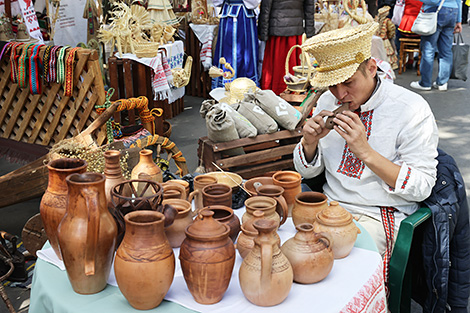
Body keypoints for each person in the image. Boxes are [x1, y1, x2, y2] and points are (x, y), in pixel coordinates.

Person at [293, 23, 439, 263]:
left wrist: (366, 153)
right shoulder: (327, 100)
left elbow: (422, 186)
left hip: (379, 214)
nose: (339, 95)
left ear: (372, 68)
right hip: (329, 208)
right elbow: (309, 172)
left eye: (348, 83)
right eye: (333, 84)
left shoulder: (411, 109)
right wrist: (309, 144)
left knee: (329, 263)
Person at [257, 0, 315, 95]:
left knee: (277, 64)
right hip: (294, 29)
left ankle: (274, 90)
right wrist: (310, 32)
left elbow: (266, 8)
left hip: (277, 30)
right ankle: (293, 89)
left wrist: (262, 33)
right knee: (292, 64)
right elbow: (309, 8)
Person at [410, 0, 462, 91]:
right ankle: (442, 83)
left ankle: (425, 83)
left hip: (436, 11)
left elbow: (433, 1)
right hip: (453, 10)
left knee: (428, 49)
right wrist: (459, 20)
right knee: (446, 50)